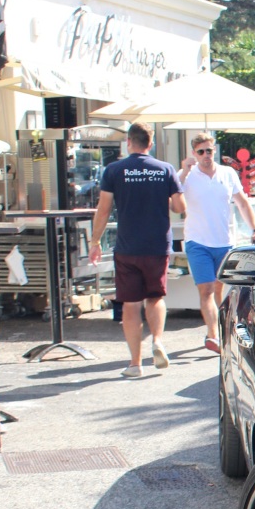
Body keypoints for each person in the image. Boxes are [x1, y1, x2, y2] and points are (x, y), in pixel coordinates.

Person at [88, 122, 185, 378]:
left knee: (130, 305)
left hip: (127, 246)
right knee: (155, 297)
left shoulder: (114, 170)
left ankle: (135, 364)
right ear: (150, 144)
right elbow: (179, 206)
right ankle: (158, 341)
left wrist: (95, 242)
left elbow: (104, 209)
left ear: (129, 142)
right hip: (156, 245)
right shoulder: (165, 169)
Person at [178, 133, 255, 354]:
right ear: (194, 154)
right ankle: (213, 335)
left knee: (218, 288)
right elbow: (174, 201)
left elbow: (242, 203)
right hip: (197, 241)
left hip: (223, 242)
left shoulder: (227, 173)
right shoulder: (187, 175)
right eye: (201, 152)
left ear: (215, 150)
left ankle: (213, 330)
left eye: (209, 150)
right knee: (205, 289)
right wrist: (184, 171)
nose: (206, 155)